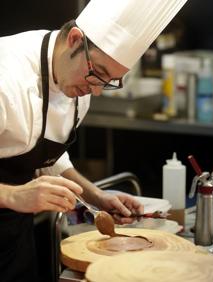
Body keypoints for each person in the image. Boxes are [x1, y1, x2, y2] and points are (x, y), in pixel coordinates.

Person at [0, 0, 188, 281]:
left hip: (12, 240)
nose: (96, 91)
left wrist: (96, 196)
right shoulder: (6, 76)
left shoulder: (80, 83)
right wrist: (13, 195)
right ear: (75, 40)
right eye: (98, 73)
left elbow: (46, 154)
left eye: (109, 81)